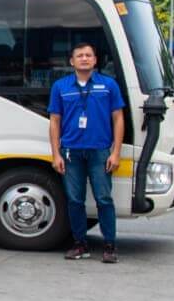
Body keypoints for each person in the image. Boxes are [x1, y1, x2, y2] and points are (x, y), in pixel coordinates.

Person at [48, 41, 125, 264]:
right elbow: (54, 121)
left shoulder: (108, 85)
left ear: (95, 60)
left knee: (104, 199)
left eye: (89, 55)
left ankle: (110, 245)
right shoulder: (61, 87)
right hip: (71, 152)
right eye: (80, 55)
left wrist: (116, 152)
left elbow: (118, 118)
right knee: (74, 200)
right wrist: (56, 154)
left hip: (100, 152)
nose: (84, 58)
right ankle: (80, 243)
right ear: (72, 61)